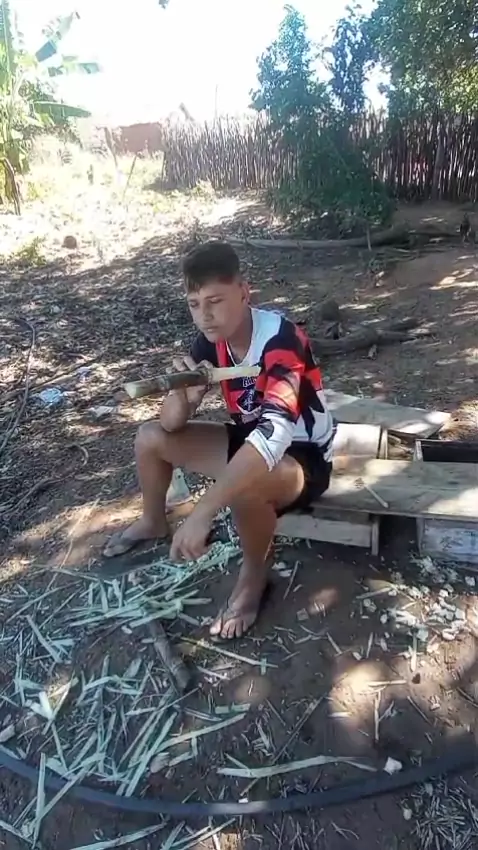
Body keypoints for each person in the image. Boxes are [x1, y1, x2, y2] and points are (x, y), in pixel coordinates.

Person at [104, 241, 334, 640]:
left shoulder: (282, 340)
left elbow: (273, 435)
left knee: (246, 486)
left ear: (244, 292)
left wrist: (203, 511)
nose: (205, 316)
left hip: (301, 456)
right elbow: (170, 424)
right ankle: (153, 521)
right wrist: (184, 398)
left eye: (215, 301)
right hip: (250, 440)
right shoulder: (211, 341)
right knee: (149, 437)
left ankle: (254, 575)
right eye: (194, 304)